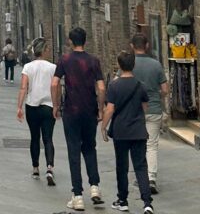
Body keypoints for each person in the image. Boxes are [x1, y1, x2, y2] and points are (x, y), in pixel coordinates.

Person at [52, 27, 105, 211]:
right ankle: (95, 187)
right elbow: (101, 87)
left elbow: (54, 83)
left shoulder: (65, 60)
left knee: (73, 150)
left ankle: (78, 195)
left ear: (70, 41)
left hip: (71, 111)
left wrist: (56, 104)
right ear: (85, 41)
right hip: (89, 110)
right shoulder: (93, 61)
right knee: (90, 147)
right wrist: (100, 108)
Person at [101, 50, 154, 214]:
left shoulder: (114, 86)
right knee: (141, 166)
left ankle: (122, 200)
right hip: (138, 131)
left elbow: (110, 109)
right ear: (134, 65)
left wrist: (103, 126)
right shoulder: (140, 86)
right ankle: (147, 203)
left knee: (122, 166)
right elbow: (144, 107)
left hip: (121, 132)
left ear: (119, 65)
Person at [16, 37, 57, 187]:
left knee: (34, 137)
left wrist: (19, 107)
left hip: (31, 106)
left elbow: (23, 88)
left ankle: (35, 168)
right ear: (45, 50)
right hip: (48, 106)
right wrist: (57, 105)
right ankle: (50, 168)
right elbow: (55, 87)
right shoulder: (53, 67)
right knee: (48, 138)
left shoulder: (27, 67)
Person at [130, 34, 168, 194]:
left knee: (137, 144)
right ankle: (151, 177)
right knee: (151, 145)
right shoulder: (156, 65)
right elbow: (165, 90)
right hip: (153, 109)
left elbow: (119, 83)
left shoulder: (128, 64)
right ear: (146, 46)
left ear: (132, 46)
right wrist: (156, 97)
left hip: (134, 110)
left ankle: (141, 177)